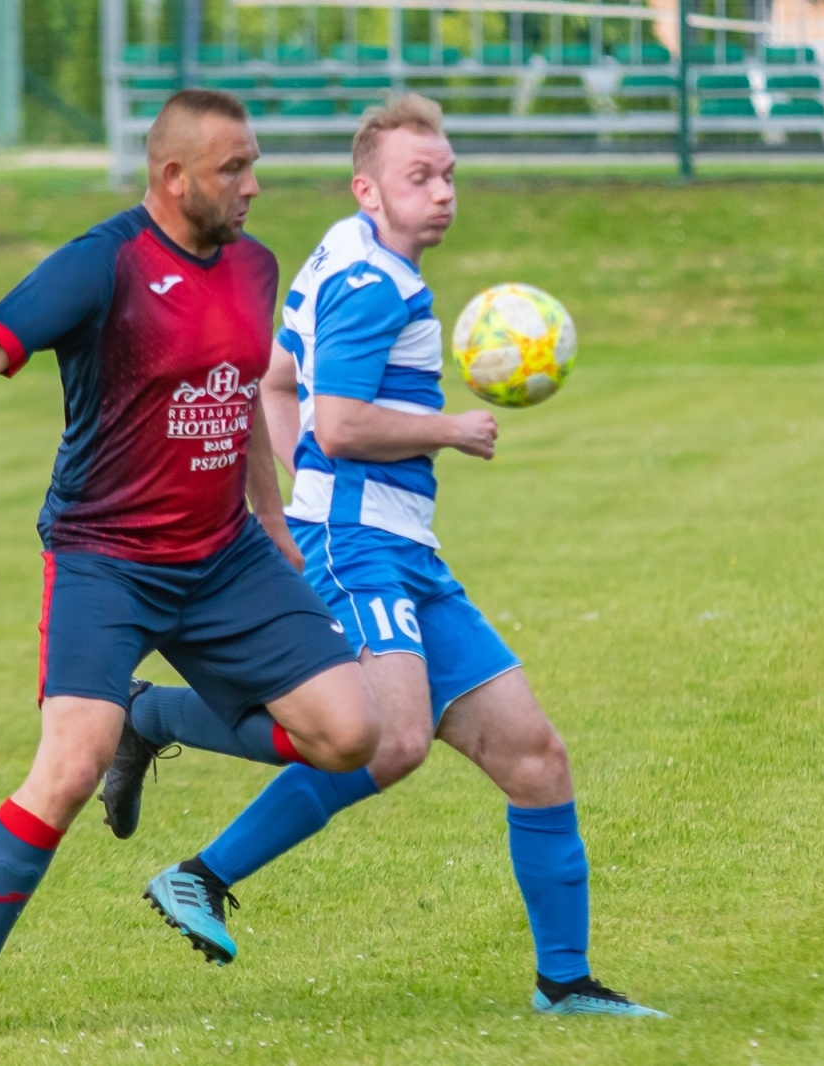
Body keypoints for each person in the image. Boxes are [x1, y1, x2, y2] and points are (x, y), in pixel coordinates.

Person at [101, 95, 665, 1019]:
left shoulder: (344, 250)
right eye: (420, 177)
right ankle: (180, 809)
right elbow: (343, 422)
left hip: (399, 548)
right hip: (362, 550)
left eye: (447, 175)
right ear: (370, 188)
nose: (442, 192)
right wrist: (449, 428)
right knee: (392, 739)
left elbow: (277, 381)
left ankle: (566, 985)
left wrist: (300, 477)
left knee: (534, 757)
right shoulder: (378, 287)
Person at [0, 90, 380, 1036]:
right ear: (173, 178)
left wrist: (270, 516)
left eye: (253, 164)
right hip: (106, 559)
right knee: (68, 765)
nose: (253, 185)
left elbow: (237, 390)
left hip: (224, 556)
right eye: (232, 170)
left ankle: (152, 714)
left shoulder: (254, 266)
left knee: (350, 734)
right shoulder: (107, 264)